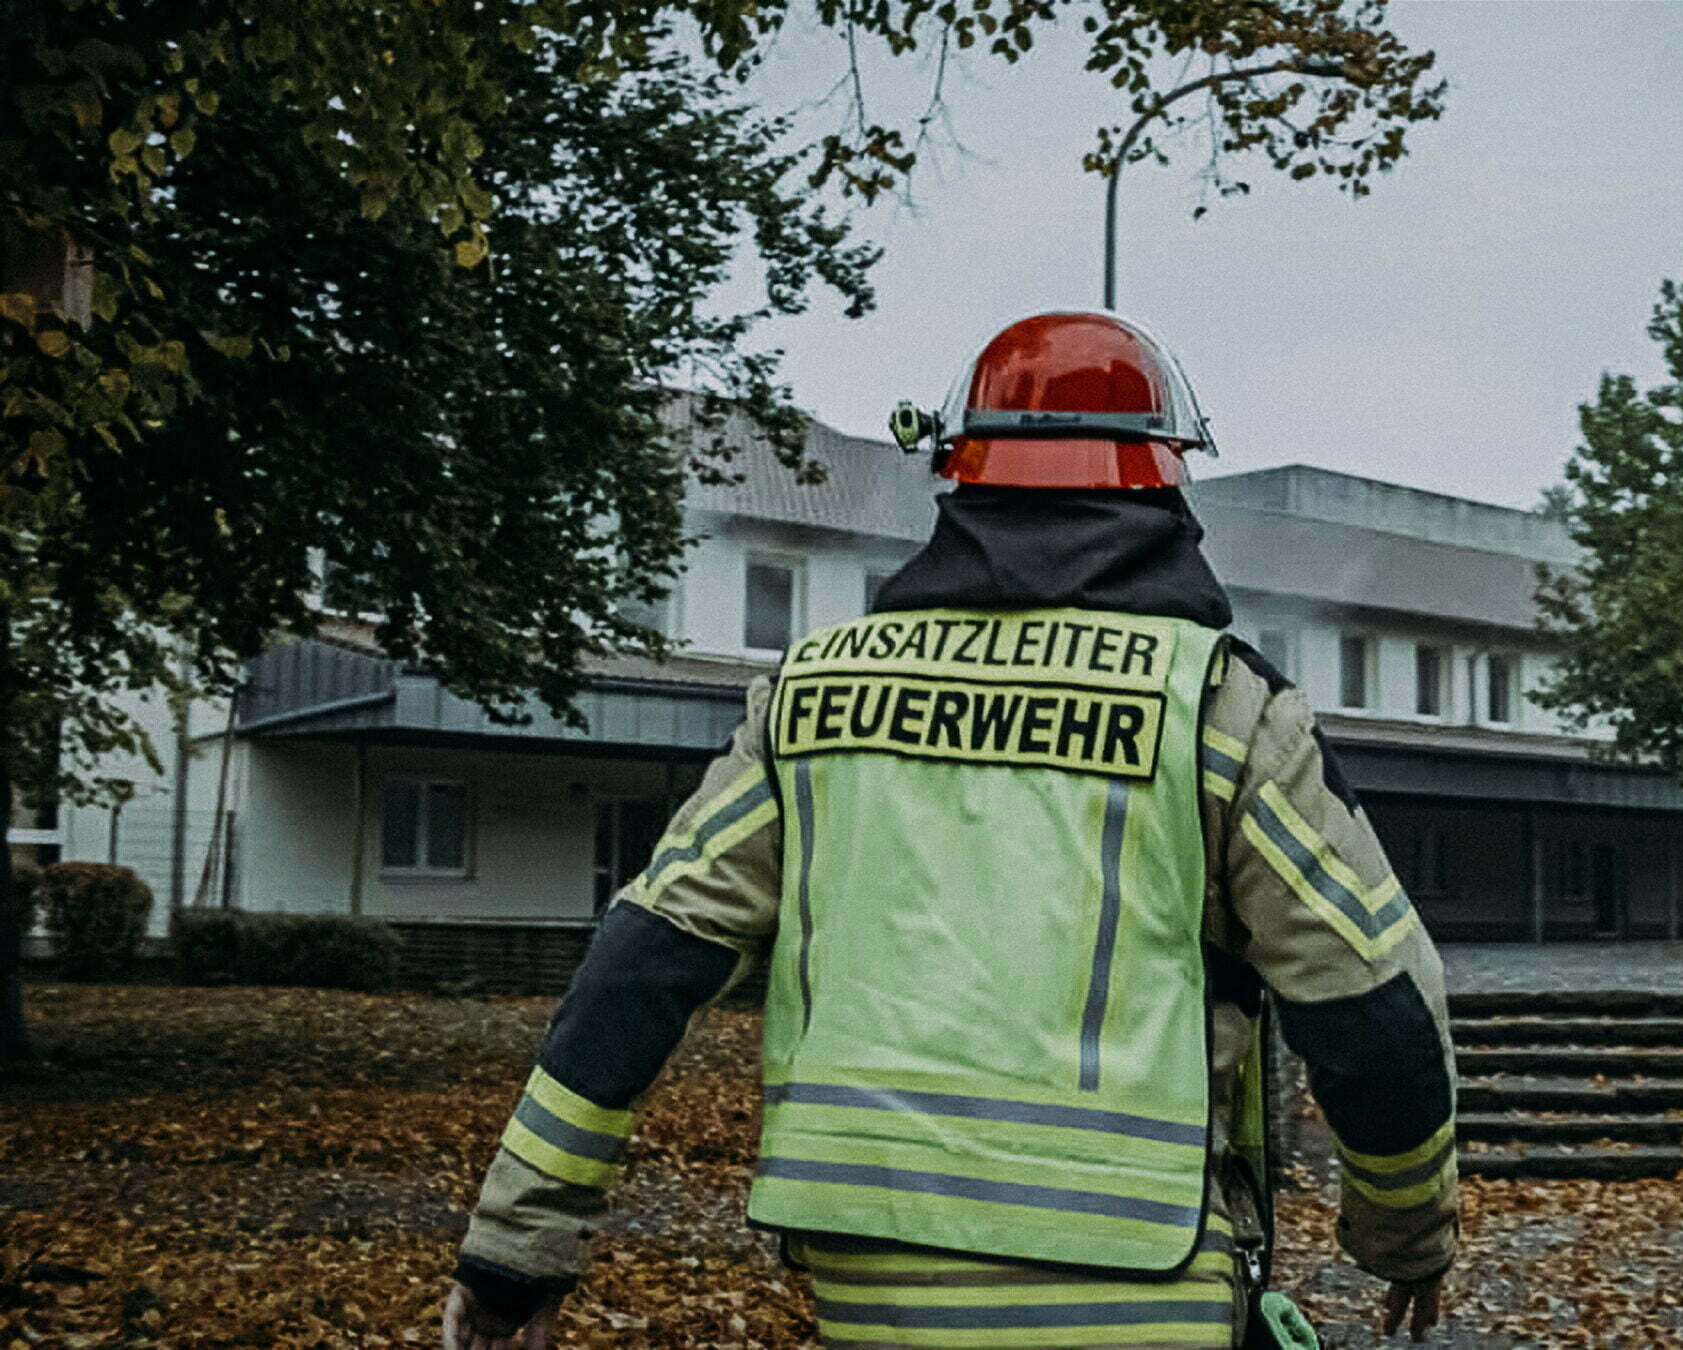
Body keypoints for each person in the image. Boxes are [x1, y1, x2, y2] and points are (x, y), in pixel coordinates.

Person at [442, 311, 1460, 1350]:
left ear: (958, 477)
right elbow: (1374, 1000)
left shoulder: (811, 693)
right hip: (1141, 1276)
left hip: (866, 1271)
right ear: (1163, 483)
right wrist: (1404, 1232)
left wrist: (515, 1251)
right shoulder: (1218, 708)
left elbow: (641, 966)